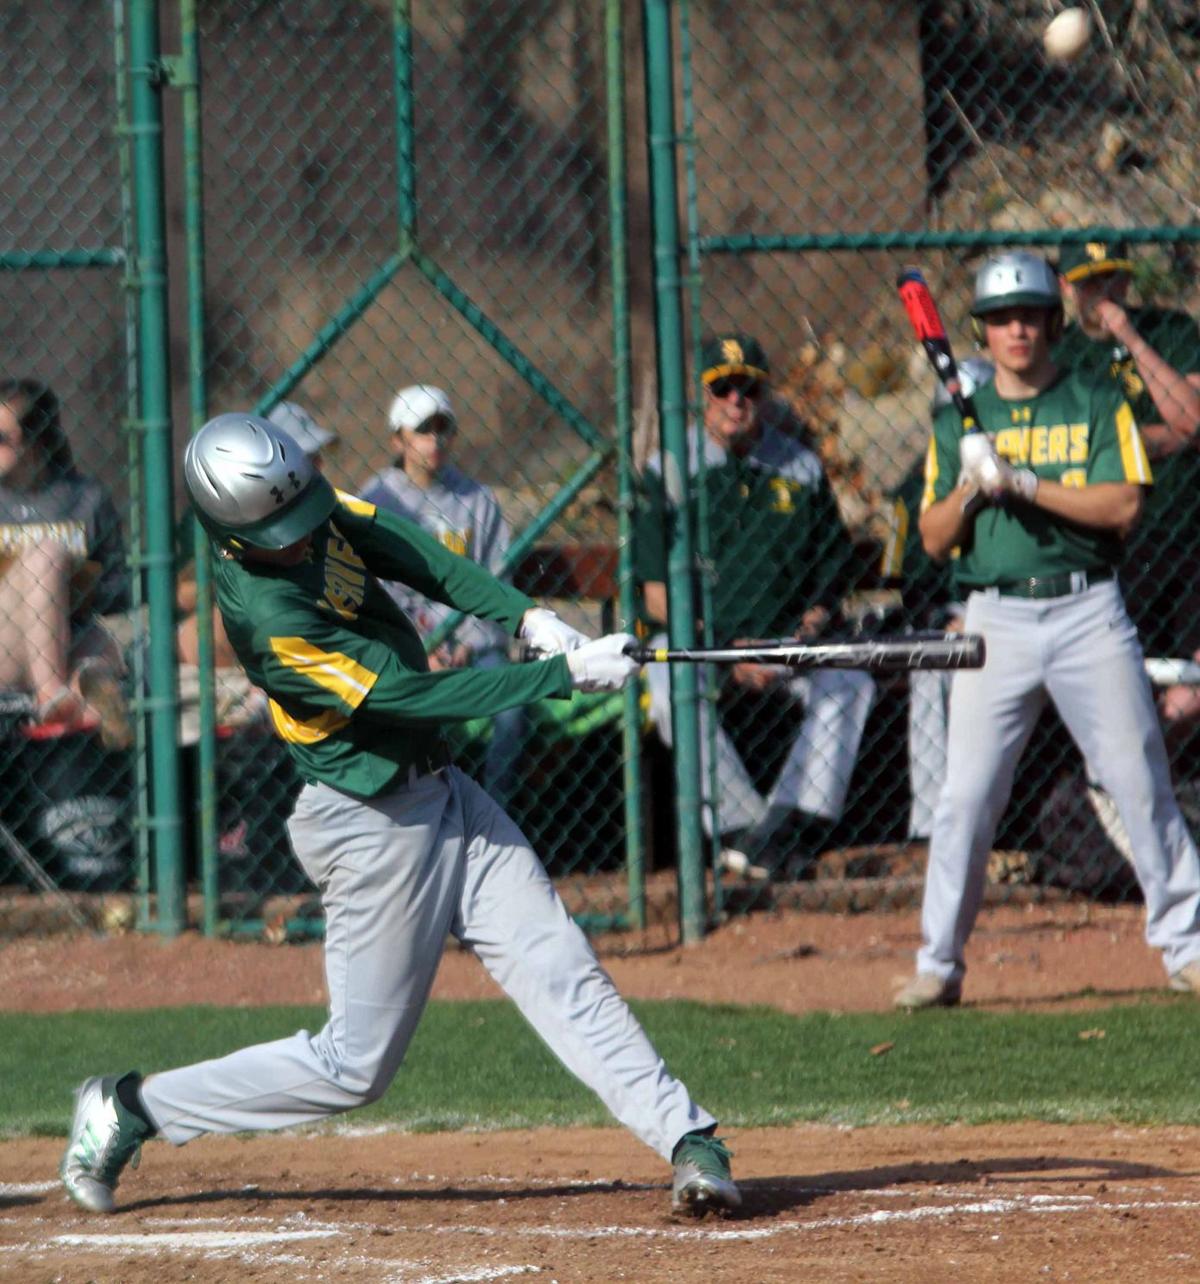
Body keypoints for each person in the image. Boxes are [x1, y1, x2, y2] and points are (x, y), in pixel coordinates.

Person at [61, 412, 739, 1218]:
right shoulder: (268, 619)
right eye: (284, 531)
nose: (305, 535)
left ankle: (687, 1138)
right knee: (354, 1067)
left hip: (445, 790)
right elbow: (406, 699)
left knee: (559, 964)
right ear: (233, 531)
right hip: (370, 824)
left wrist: (526, 617)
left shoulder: (302, 505)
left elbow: (415, 554)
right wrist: (558, 677)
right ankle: (132, 1107)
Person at [895, 250, 1200, 1010]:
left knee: (1138, 778)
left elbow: (1122, 507)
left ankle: (1188, 946)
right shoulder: (955, 421)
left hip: (1087, 609)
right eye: (1001, 319)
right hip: (995, 615)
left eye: (1030, 314)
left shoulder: (1095, 400)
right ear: (985, 332)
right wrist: (972, 488)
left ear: (1052, 323)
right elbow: (932, 541)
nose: (1017, 330)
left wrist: (1027, 484)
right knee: (966, 798)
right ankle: (938, 963)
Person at [636, 334, 875, 879]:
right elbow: (654, 594)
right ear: (703, 397)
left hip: (787, 643)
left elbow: (832, 564)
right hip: (704, 644)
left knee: (851, 680)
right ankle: (745, 830)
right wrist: (720, 648)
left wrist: (817, 613)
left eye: (748, 388)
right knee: (665, 675)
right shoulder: (670, 468)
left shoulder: (801, 467)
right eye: (722, 389)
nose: (735, 401)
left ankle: (788, 821)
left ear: (764, 396)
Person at [1055, 241, 1200, 727]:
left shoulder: (1171, 331)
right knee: (1117, 677)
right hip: (1114, 542)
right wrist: (1161, 438)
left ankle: (1154, 769)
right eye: (1090, 284)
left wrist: (1133, 341)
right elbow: (1075, 451)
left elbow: (1193, 421)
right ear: (1066, 288)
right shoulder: (1062, 357)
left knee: (1190, 687)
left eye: (1113, 279)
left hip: (1190, 528)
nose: (1104, 295)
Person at [361, 384, 524, 808]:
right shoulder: (377, 500)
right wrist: (423, 645)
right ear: (398, 439)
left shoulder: (478, 500)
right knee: (419, 715)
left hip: (475, 645)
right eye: (422, 430)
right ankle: (433, 813)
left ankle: (494, 810)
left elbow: (495, 578)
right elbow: (377, 590)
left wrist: (467, 641)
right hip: (407, 647)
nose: (435, 441)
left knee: (511, 713)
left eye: (443, 428)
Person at [880, 358, 993, 841]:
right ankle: (931, 827)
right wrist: (940, 618)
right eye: (952, 421)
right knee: (930, 660)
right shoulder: (915, 485)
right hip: (947, 617)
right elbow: (906, 583)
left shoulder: (1020, 464)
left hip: (1013, 607)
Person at [0, 378, 130, 748]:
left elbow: (121, 584)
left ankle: (88, 738)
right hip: (5, 640)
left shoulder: (84, 499)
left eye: (0, 438)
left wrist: (78, 588)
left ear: (35, 441)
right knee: (45, 555)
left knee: (100, 655)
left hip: (69, 631)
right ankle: (50, 694)